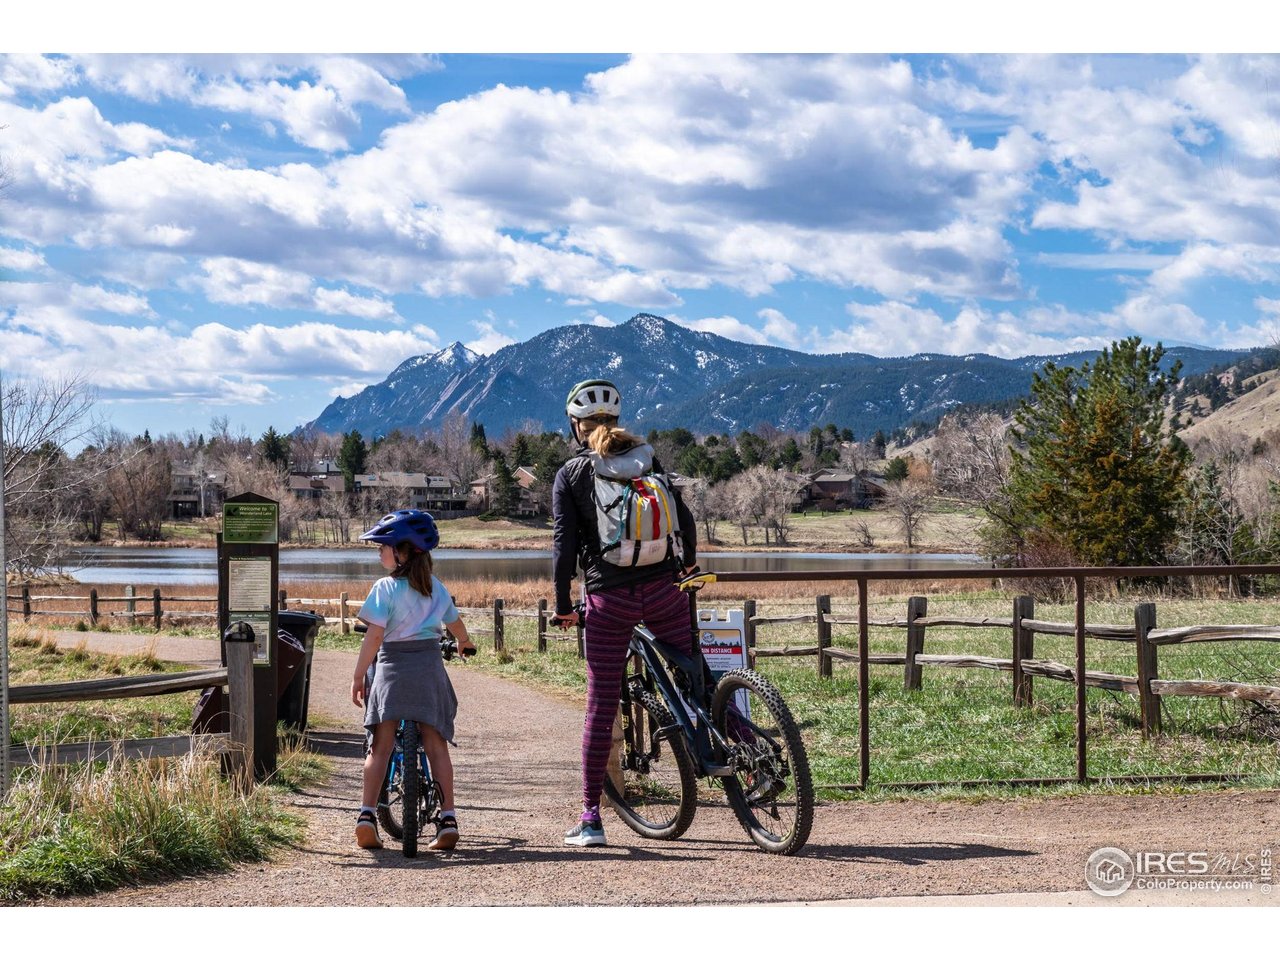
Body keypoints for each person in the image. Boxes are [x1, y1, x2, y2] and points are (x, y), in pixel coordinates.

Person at [551, 378, 697, 847]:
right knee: (696, 677)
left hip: (608, 600)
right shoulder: (647, 458)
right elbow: (684, 518)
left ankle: (591, 818)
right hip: (664, 588)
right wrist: (687, 567)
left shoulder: (571, 474)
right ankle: (744, 757)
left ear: (576, 426)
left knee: (600, 704)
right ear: (614, 422)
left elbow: (564, 547)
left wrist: (563, 605)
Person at [351, 509, 475, 851]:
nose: (379, 553)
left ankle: (366, 817)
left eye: (383, 547)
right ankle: (448, 817)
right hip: (428, 669)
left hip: (391, 670)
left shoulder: (385, 588)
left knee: (380, 747)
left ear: (401, 552)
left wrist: (359, 674)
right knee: (436, 745)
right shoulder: (436, 587)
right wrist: (465, 643)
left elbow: (374, 638)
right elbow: (456, 625)